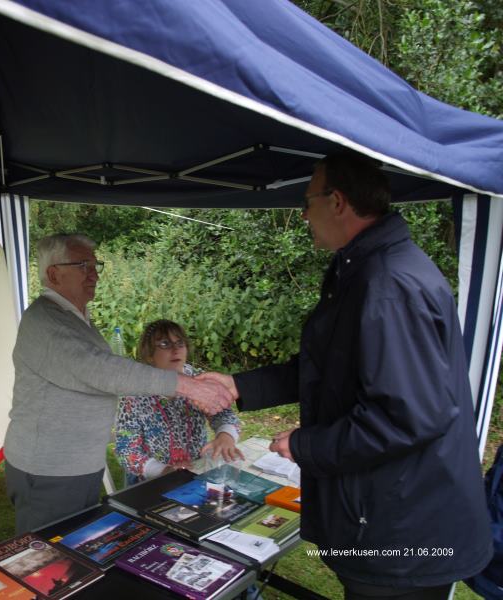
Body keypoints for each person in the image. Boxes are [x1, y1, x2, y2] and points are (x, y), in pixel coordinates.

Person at [200, 153, 492, 599]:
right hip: (389, 515)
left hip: (404, 531)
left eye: (307, 201)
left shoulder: (389, 284)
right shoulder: (362, 269)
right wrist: (242, 385)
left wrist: (305, 445)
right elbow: (331, 366)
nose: (302, 214)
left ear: (337, 202)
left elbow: (408, 417)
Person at [3, 234, 234, 534]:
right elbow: (101, 371)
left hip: (74, 465)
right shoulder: (47, 321)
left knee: (73, 546)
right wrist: (184, 385)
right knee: (45, 557)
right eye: (83, 265)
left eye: (95, 264)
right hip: (49, 470)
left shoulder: (73, 316)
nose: (95, 273)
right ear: (54, 273)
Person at [115, 319, 243, 485]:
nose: (175, 350)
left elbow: (224, 414)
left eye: (180, 343)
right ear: (149, 355)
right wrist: (164, 470)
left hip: (195, 471)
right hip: (152, 480)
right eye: (164, 344)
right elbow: (127, 451)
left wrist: (225, 435)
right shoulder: (134, 394)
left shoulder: (198, 379)